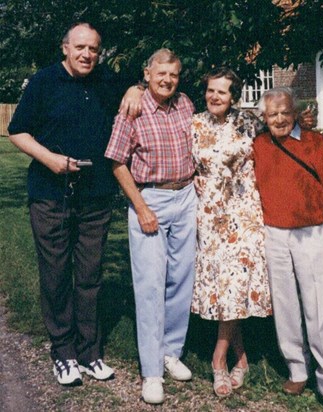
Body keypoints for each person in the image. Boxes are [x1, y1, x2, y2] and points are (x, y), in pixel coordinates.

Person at [7, 22, 142, 386]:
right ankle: (63, 353)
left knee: (89, 276)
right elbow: (16, 130)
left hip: (96, 195)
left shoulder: (106, 82)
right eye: (80, 47)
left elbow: (138, 85)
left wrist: (134, 87)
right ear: (65, 48)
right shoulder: (43, 82)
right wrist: (49, 158)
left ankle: (90, 351)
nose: (86, 55)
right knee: (55, 276)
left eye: (93, 49)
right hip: (51, 194)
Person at [105, 48, 197, 405]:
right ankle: (151, 372)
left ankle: (171, 352)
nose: (167, 80)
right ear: (147, 74)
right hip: (150, 200)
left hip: (186, 196)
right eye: (161, 74)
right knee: (149, 284)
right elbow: (116, 162)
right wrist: (140, 206)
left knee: (181, 279)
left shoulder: (185, 104)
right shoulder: (133, 108)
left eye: (173, 74)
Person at [253, 87, 323, 412]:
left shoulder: (314, 143)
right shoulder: (259, 145)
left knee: (320, 308)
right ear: (263, 118)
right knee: (285, 305)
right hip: (274, 233)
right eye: (272, 114)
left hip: (313, 233)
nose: (279, 118)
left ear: (294, 113)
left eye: (284, 112)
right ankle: (297, 368)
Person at [190, 68, 272, 397]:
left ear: (233, 95)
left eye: (222, 92)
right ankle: (243, 357)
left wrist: (303, 123)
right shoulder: (194, 123)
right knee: (225, 286)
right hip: (210, 215)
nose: (215, 97)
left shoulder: (250, 123)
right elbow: (183, 163)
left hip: (244, 214)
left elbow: (280, 139)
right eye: (211, 90)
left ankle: (218, 359)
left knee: (237, 281)